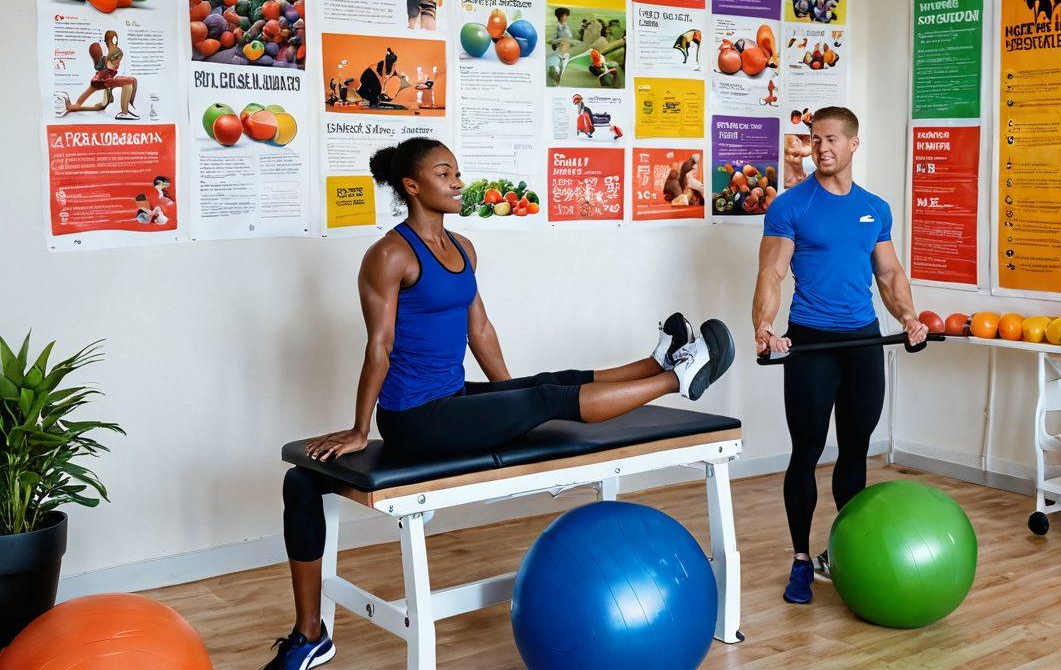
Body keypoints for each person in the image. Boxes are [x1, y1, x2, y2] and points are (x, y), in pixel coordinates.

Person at [261, 137, 735, 670]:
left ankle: (657, 360)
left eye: (457, 172)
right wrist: (358, 428)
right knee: (545, 396)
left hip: (451, 399)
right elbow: (380, 347)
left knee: (546, 385)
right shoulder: (389, 255)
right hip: (415, 420)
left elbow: (479, 328)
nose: (458, 181)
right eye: (445, 174)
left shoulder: (462, 247)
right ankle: (678, 378)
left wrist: (518, 399)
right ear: (413, 186)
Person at [750, 106, 926, 606]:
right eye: (814, 139)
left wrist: (909, 318)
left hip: (864, 342)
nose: (821, 148)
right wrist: (765, 326)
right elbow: (772, 272)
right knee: (806, 452)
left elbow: (889, 275)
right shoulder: (791, 206)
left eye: (831, 139)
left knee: (855, 449)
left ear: (853, 144)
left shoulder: (875, 208)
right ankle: (802, 560)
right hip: (812, 343)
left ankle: (846, 553)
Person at [58, 30, 139, 119]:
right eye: (118, 60)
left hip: (99, 82)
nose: (119, 63)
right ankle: (124, 113)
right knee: (128, 83)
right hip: (104, 82)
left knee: (98, 106)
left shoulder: (109, 59)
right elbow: (109, 54)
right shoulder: (108, 59)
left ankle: (71, 107)